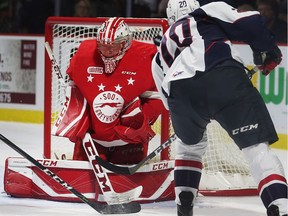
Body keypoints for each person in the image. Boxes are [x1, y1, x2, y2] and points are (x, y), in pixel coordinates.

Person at [152, 0, 287, 216]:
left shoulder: (160, 53)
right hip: (223, 77)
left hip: (181, 94)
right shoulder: (206, 11)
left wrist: (195, 114)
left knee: (189, 146)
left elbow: (169, 102)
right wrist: (266, 51)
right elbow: (251, 20)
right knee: (256, 149)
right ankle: (280, 207)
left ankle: (184, 205)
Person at [53, 17, 165, 165]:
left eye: (112, 47)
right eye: (102, 46)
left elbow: (159, 98)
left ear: (125, 44)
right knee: (80, 183)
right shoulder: (85, 54)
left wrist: (140, 120)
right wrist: (79, 118)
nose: (106, 52)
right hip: (91, 141)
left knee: (131, 182)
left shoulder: (147, 57)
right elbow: (76, 91)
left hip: (129, 144)